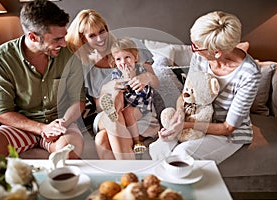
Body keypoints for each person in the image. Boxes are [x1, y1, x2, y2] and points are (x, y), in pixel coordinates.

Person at [150, 11, 261, 164]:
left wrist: (185, 126)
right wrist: (180, 114)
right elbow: (186, 95)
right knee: (159, 147)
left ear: (217, 53)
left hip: (225, 133)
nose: (192, 49)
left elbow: (228, 128)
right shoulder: (200, 57)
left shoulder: (249, 74)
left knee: (183, 154)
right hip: (194, 119)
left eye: (196, 47)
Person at [0, 0, 86, 158]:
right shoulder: (0, 58)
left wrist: (61, 124)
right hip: (22, 126)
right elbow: (4, 112)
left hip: (61, 123)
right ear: (32, 37)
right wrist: (41, 128)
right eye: (56, 39)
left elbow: (77, 101)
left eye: (64, 37)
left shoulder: (69, 56)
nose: (64, 43)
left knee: (68, 152)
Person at [66, 9, 160, 159]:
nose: (100, 38)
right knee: (113, 114)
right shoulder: (84, 66)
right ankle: (131, 176)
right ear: (84, 40)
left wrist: (147, 77)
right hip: (105, 114)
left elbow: (155, 84)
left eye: (102, 31)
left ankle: (119, 179)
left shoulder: (130, 46)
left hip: (139, 111)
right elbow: (96, 106)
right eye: (92, 35)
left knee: (102, 139)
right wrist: (106, 90)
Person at [100, 38, 155, 154]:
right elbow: (117, 90)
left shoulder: (142, 70)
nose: (123, 62)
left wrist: (131, 77)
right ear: (115, 62)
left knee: (128, 111)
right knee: (118, 92)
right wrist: (123, 79)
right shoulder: (116, 73)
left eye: (127, 57)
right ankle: (113, 109)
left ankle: (137, 142)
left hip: (141, 107)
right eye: (118, 59)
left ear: (135, 58)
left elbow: (145, 91)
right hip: (123, 105)